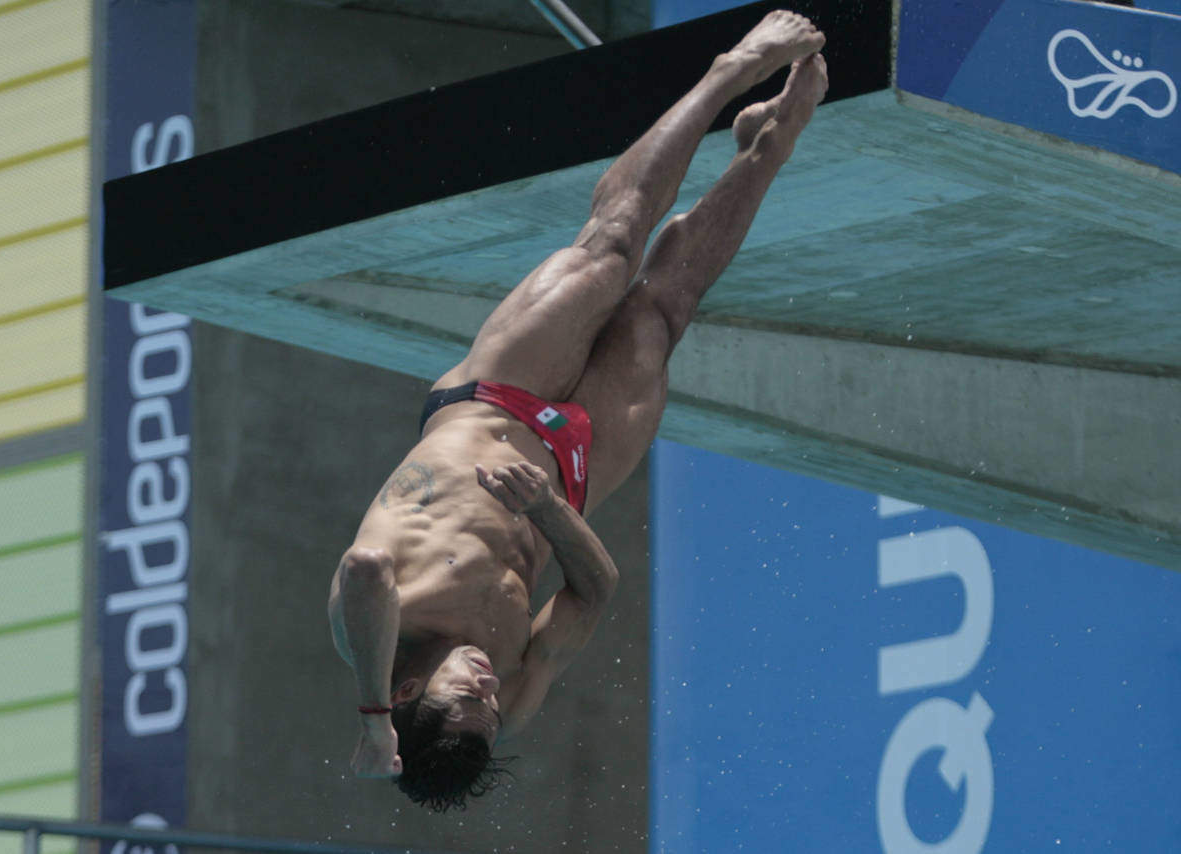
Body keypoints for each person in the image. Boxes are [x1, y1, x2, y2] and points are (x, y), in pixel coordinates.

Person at [326, 9, 830, 811]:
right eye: (490, 709)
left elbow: (362, 566)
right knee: (664, 310)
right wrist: (550, 510)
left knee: (612, 242)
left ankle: (733, 68)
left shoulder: (373, 632)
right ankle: (772, 140)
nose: (490, 689)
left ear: (410, 688)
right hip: (569, 473)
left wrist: (372, 720)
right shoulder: (515, 695)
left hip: (490, 400)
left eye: (468, 696)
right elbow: (596, 591)